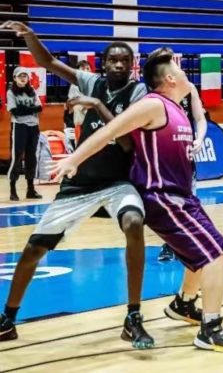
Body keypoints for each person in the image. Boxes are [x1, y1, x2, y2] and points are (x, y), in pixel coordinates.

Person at [52, 49, 223, 352]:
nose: (185, 75)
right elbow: (110, 131)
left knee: (205, 251)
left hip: (182, 196)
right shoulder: (153, 105)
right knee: (216, 255)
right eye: (180, 71)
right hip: (162, 196)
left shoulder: (177, 106)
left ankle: (184, 304)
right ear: (170, 78)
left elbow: (195, 110)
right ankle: (211, 328)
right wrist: (73, 159)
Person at [0, 21, 151, 348]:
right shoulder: (91, 81)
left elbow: (126, 142)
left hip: (117, 182)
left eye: (125, 61)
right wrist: (30, 37)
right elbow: (49, 63)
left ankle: (133, 317)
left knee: (134, 223)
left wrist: (96, 105)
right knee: (33, 249)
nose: (119, 65)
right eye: (113, 60)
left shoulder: (139, 93)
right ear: (103, 63)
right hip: (79, 184)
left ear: (132, 65)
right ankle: (8, 320)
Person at [158, 52, 208, 263]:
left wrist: (200, 139)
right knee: (168, 203)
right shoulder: (156, 94)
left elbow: (200, 119)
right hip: (164, 154)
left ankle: (186, 243)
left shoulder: (189, 89)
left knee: (188, 200)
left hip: (186, 154)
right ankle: (170, 243)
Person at [6, 68, 43, 202]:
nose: (23, 78)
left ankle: (30, 189)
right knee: (17, 157)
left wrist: (25, 109)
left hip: (34, 127)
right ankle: (13, 189)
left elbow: (39, 107)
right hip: (19, 126)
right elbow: (15, 111)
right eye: (20, 76)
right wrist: (31, 109)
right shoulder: (11, 92)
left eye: (25, 76)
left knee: (31, 157)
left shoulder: (32, 91)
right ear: (15, 78)